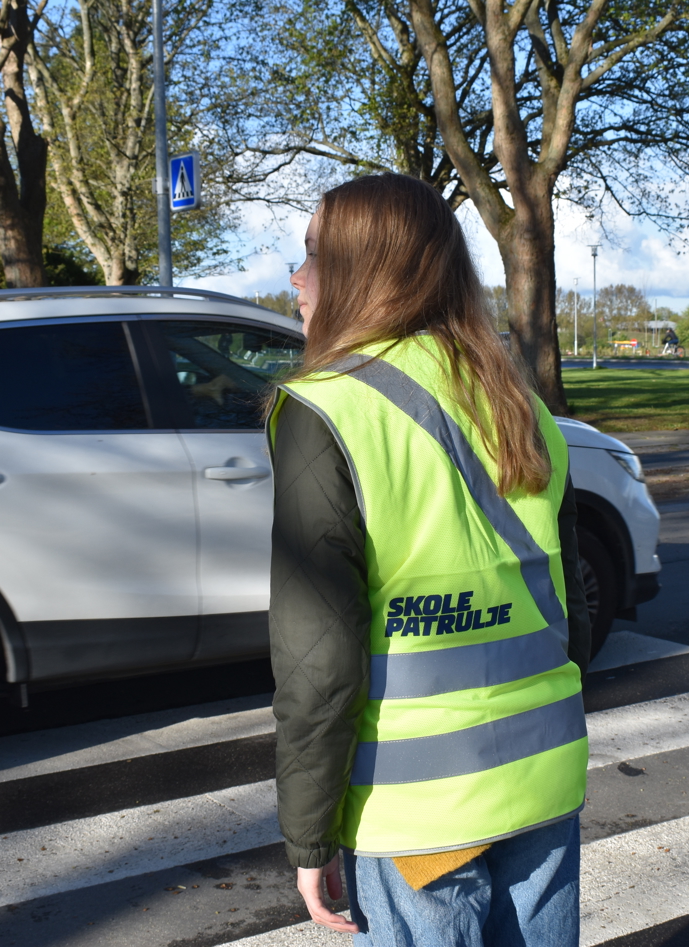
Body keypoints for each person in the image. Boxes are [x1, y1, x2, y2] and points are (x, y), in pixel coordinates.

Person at [268, 173, 592, 947]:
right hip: (543, 772)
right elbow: (571, 612)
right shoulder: (518, 402)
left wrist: (310, 835)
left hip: (418, 807)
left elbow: (321, 662)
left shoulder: (328, 410)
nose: (296, 276)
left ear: (359, 270)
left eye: (311, 254)